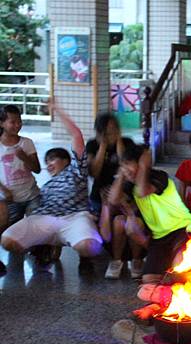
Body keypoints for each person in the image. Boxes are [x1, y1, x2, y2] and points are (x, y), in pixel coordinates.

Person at [1, 100, 103, 269]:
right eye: (47, 161)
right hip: (45, 218)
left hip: (75, 217)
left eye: (53, 159)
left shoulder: (76, 172)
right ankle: (47, 247)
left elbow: (76, 134)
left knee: (90, 247)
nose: (48, 165)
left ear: (67, 161)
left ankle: (76, 251)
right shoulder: (47, 186)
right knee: (7, 241)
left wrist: (56, 109)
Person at [108, 144, 191, 284]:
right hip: (159, 238)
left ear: (141, 163)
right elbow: (113, 199)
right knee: (149, 280)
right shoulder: (131, 184)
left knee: (180, 274)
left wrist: (144, 165)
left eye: (128, 164)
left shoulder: (160, 177)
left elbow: (142, 191)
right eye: (123, 165)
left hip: (183, 230)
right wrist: (122, 174)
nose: (125, 169)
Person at [84, 112, 137, 279]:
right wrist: (103, 146)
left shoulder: (127, 143)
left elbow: (125, 165)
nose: (112, 133)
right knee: (101, 222)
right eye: (107, 131)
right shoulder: (92, 144)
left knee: (123, 220)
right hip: (100, 193)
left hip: (124, 192)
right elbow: (94, 172)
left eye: (115, 129)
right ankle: (111, 258)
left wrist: (119, 142)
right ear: (99, 132)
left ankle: (130, 258)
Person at [0, 105, 42, 271]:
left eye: (19, 121)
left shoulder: (27, 143)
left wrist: (24, 157)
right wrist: (4, 190)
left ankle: (39, 253)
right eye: (13, 122)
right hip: (9, 198)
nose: (17, 125)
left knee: (37, 223)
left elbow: (37, 169)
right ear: (2, 123)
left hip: (31, 194)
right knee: (10, 231)